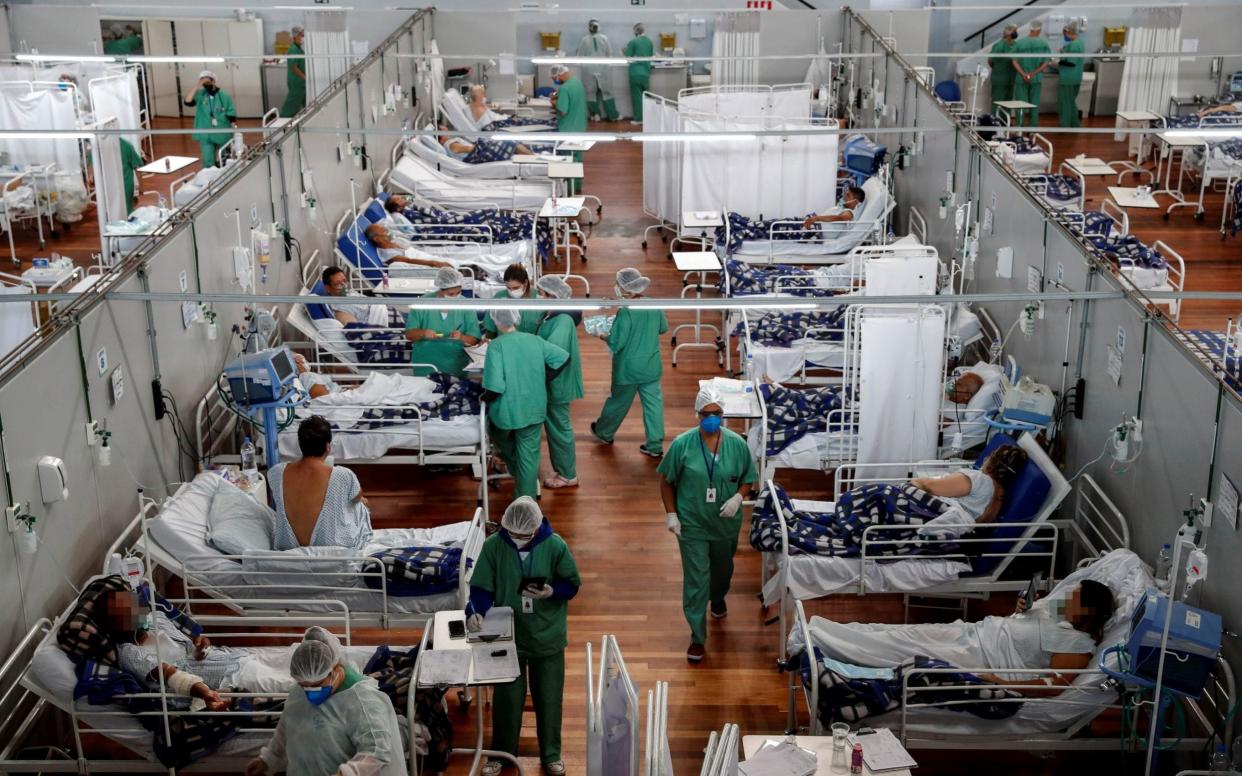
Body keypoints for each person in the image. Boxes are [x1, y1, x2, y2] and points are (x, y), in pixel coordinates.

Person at [798, 579, 1115, 696]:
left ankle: (820, 644)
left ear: (1086, 609)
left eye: (1074, 596)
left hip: (982, 658)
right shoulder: (1059, 610)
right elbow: (1027, 617)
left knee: (901, 648)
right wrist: (1022, 607)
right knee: (897, 633)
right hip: (974, 632)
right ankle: (818, 632)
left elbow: (1055, 686)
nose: (1066, 597)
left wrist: (1000, 682)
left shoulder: (1077, 644)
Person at [467, 497, 580, 776]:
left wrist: (552, 591)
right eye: (512, 535)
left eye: (522, 535)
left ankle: (551, 754)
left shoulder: (555, 546)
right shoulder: (495, 546)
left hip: (547, 633)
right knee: (506, 697)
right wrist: (475, 612)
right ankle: (503, 754)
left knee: (549, 697)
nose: (517, 539)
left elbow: (571, 583)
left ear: (535, 527)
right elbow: (481, 587)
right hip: (509, 634)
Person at [658, 386, 757, 663]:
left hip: (725, 524)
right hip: (692, 524)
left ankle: (719, 596)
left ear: (723, 414)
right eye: (707, 414)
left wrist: (739, 497)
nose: (712, 418)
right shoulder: (683, 445)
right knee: (696, 579)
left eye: (717, 413)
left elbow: (748, 478)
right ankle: (697, 637)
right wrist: (671, 514)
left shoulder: (737, 445)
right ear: (697, 415)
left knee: (722, 569)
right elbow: (666, 481)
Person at [247, 627, 407, 776]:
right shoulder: (299, 691)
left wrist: (347, 773)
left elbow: (377, 752)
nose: (309, 691)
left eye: (317, 684)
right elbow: (287, 726)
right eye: (304, 686)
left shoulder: (363, 700)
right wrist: (267, 759)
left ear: (335, 669)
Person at [482, 308, 570, 499]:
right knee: (529, 455)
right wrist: (543, 377)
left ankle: (516, 468)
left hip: (507, 411)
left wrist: (483, 398)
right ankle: (526, 500)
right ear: (517, 319)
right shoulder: (534, 340)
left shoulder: (496, 346)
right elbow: (563, 357)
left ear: (495, 321)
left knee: (500, 436)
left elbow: (495, 387)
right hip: (534, 405)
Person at [591, 268, 667, 457]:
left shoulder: (625, 313)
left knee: (618, 403)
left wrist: (602, 335)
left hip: (628, 370)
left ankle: (604, 432)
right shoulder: (652, 304)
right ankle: (655, 445)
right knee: (653, 406)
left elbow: (617, 343)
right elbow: (663, 328)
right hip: (651, 366)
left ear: (624, 287)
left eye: (618, 283)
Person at [268, 415, 374, 551]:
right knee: (359, 505)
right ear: (328, 447)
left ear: (300, 445)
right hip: (331, 547)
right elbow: (357, 497)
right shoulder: (343, 475)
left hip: (288, 545)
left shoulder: (275, 473)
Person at [535, 275, 583, 489]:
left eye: (542, 293)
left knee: (559, 429)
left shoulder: (562, 321)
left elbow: (556, 356)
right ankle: (564, 470)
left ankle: (567, 474)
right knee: (556, 427)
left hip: (557, 384)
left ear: (553, 295)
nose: (539, 296)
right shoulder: (550, 315)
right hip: (551, 383)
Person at [907, 443, 1029, 523]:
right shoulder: (998, 496)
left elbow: (929, 486)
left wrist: (912, 482)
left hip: (926, 510)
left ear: (992, 460)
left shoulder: (981, 480)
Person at [404, 266, 482, 377]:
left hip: (456, 365)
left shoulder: (465, 304)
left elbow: (474, 339)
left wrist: (462, 337)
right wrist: (423, 332)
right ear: (440, 289)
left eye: (458, 292)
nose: (455, 297)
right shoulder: (422, 302)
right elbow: (409, 334)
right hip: (426, 365)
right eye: (451, 294)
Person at [184, 70, 236, 168]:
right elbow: (187, 101)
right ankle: (210, 180)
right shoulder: (200, 94)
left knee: (224, 159)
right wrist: (198, 85)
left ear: (214, 81)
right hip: (205, 133)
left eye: (208, 81)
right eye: (203, 82)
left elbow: (231, 115)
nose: (206, 84)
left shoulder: (224, 96)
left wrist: (234, 133)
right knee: (208, 161)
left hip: (222, 133)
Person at [550, 65, 587, 194]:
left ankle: (569, 190)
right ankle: (577, 186)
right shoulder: (576, 82)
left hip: (568, 128)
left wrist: (554, 102)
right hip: (580, 126)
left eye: (555, 78)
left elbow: (563, 110)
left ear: (560, 75)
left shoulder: (565, 88)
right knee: (577, 157)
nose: (555, 80)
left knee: (568, 159)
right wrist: (557, 96)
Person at [575, 19, 619, 121]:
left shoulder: (584, 40)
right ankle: (613, 116)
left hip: (589, 70)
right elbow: (609, 54)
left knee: (590, 93)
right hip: (604, 69)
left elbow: (579, 56)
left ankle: (595, 115)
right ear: (598, 27)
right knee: (607, 92)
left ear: (589, 28)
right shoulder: (604, 38)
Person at [1011, 22, 1051, 128]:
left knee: (1020, 104)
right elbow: (1046, 62)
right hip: (1036, 78)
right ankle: (1033, 127)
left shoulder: (1019, 44)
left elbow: (1014, 61)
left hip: (1021, 78)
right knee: (1034, 103)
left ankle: (1019, 125)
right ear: (1039, 31)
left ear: (1030, 29)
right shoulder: (1043, 44)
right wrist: (1033, 73)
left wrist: (1024, 74)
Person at [483, 264, 542, 336]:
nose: (511, 291)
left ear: (525, 283)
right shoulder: (499, 298)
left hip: (532, 345)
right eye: (508, 288)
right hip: (505, 345)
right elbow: (490, 330)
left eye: (516, 288)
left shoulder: (538, 298)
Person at [364, 223, 451, 269]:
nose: (387, 231)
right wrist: (434, 263)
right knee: (447, 263)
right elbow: (410, 260)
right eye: (383, 231)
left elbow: (408, 248)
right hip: (418, 261)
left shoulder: (390, 243)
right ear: (377, 239)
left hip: (417, 252)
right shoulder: (388, 255)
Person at [436, 121, 536, 160]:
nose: (447, 130)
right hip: (477, 155)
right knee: (509, 142)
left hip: (477, 151)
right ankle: (534, 158)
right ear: (440, 136)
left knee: (508, 141)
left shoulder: (450, 141)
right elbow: (458, 149)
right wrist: (483, 147)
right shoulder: (449, 143)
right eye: (445, 130)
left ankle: (531, 156)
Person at [623, 23, 654, 124]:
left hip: (635, 73)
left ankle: (639, 119)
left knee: (637, 98)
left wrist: (623, 51)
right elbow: (650, 56)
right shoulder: (649, 42)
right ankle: (649, 118)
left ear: (636, 31)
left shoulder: (633, 42)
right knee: (647, 97)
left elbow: (627, 57)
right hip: (646, 73)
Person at [1056, 23, 1085, 128]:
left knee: (1065, 103)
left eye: (1064, 34)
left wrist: (1056, 62)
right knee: (1071, 101)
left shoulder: (1074, 45)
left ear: (1069, 32)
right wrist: (1063, 51)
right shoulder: (1079, 43)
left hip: (1068, 78)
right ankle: (1075, 123)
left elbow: (1071, 62)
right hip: (1075, 77)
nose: (1064, 36)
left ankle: (1065, 125)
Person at [801, 184, 865, 230]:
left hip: (817, 229)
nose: (844, 196)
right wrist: (815, 218)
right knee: (793, 222)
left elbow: (841, 218)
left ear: (855, 202)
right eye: (845, 194)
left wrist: (817, 218)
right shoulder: (841, 208)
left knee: (793, 227)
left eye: (848, 195)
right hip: (815, 224)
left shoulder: (849, 212)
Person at [988, 24, 1019, 112]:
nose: (1016, 33)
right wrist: (999, 69)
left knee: (1008, 103)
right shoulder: (999, 45)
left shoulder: (1015, 45)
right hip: (1000, 79)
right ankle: (995, 122)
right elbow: (990, 61)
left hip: (1011, 79)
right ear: (1009, 32)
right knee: (998, 102)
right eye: (1015, 31)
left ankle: (1005, 123)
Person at [281, 25, 307, 118]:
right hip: (296, 81)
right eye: (301, 35)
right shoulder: (293, 49)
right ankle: (283, 122)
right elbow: (293, 67)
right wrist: (304, 77)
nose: (303, 37)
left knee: (305, 101)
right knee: (292, 104)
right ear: (295, 36)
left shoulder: (299, 48)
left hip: (301, 81)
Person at [119, 138, 146, 215]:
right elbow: (91, 161)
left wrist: (141, 185)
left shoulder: (126, 146)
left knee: (127, 212)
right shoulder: (101, 146)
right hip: (109, 187)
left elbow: (137, 167)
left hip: (125, 185)